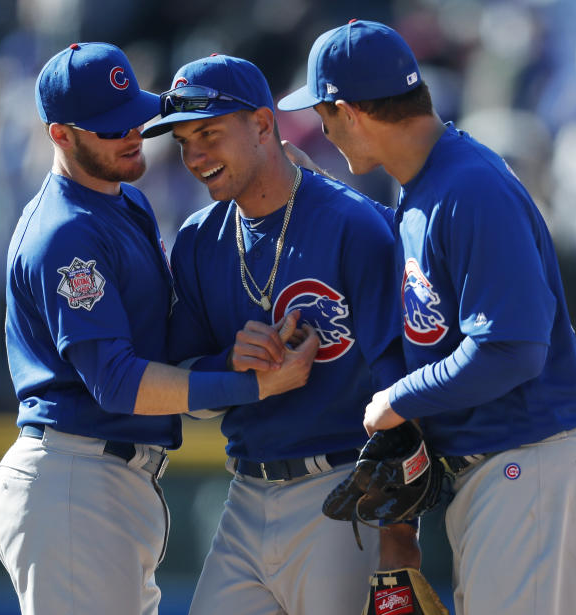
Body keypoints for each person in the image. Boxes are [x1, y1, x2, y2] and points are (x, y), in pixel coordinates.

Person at [278, 19, 576, 615]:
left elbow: (512, 348)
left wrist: (401, 398)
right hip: (508, 472)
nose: (323, 130)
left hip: (534, 463)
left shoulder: (468, 187)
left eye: (325, 115)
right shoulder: (425, 187)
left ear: (349, 110)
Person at [0, 42, 319, 615]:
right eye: (109, 127)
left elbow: (160, 349)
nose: (131, 133)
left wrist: (234, 362)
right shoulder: (66, 233)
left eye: (133, 115)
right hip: (73, 479)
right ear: (60, 135)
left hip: (110, 482)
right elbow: (115, 383)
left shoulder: (126, 203)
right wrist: (250, 386)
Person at [141, 54, 420, 615]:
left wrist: (399, 534)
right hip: (244, 493)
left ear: (263, 125)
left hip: (344, 493)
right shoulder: (199, 239)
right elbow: (184, 390)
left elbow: (404, 382)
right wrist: (230, 365)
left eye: (210, 134)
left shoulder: (355, 225)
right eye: (184, 142)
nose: (195, 157)